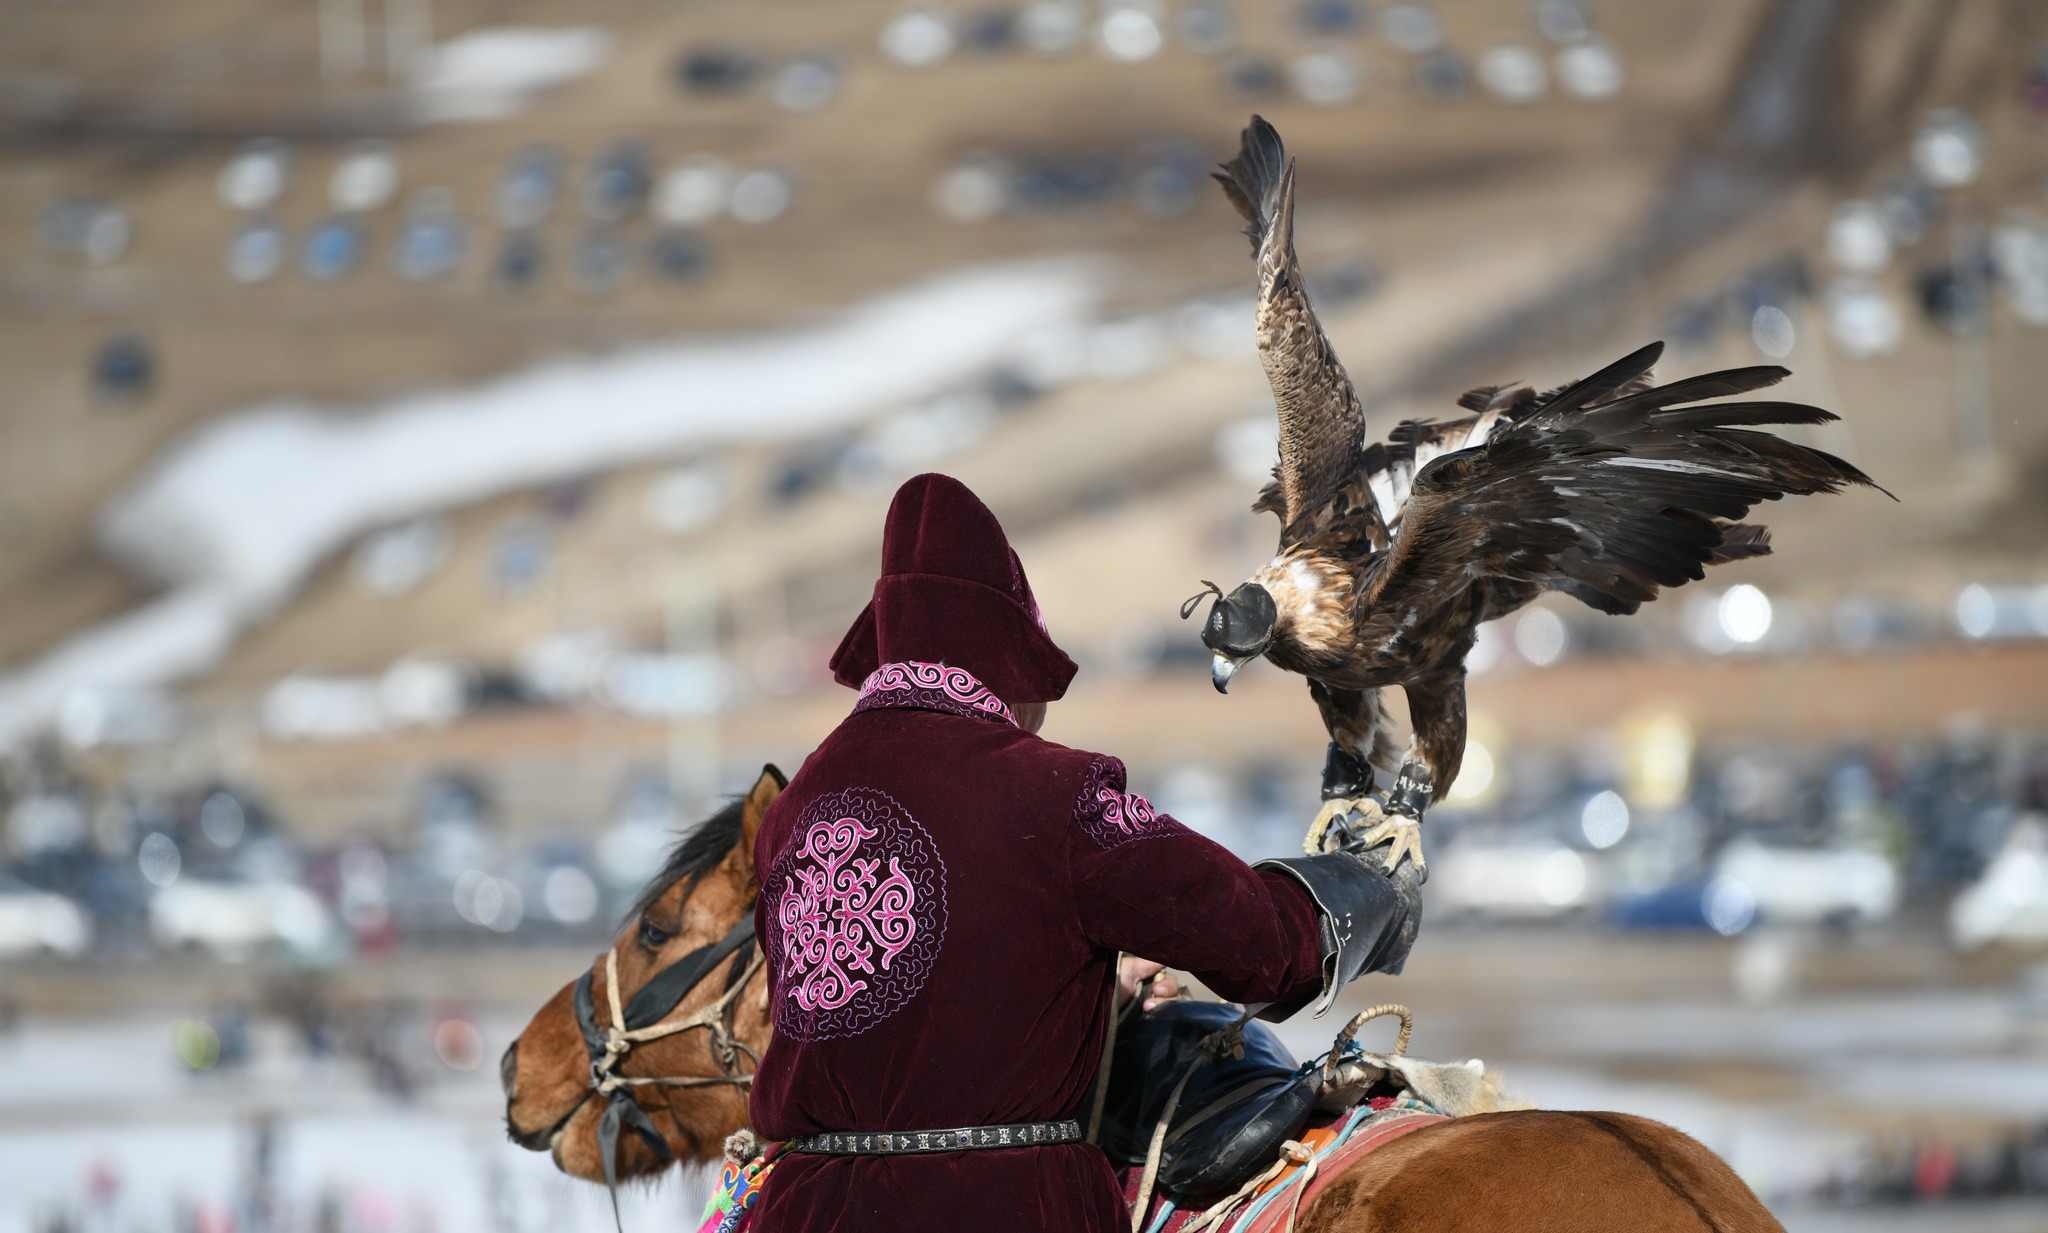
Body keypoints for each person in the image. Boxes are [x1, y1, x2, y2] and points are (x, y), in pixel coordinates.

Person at [747, 473, 1419, 1232]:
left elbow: (913, 1009)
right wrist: (1367, 889)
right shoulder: (1058, 793)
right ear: (1004, 657)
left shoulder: (794, 807)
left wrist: (1095, 986)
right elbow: (1261, 943)